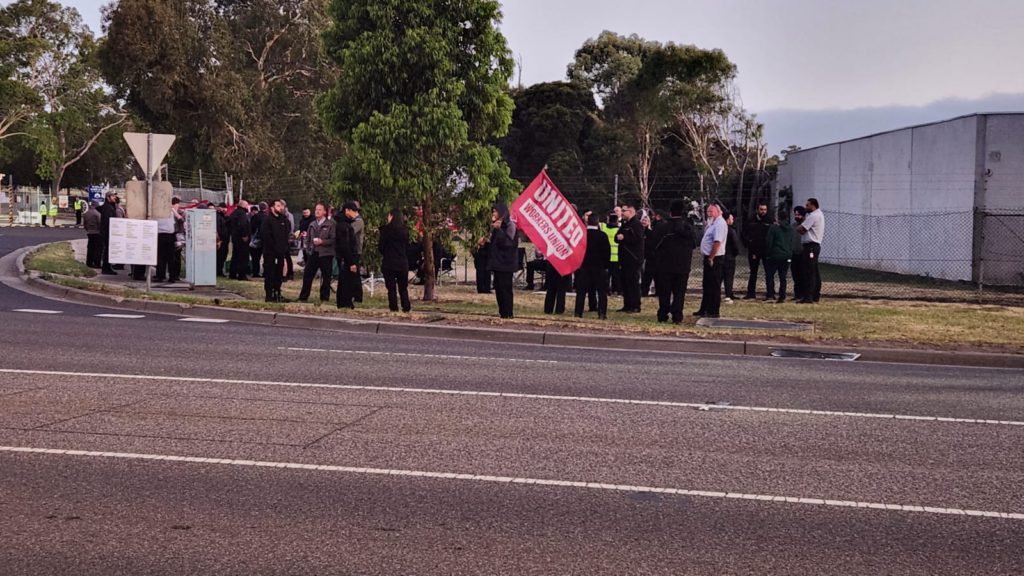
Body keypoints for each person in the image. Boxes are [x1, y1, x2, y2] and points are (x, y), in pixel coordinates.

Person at [653, 199, 697, 324]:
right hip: (682, 266)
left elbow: (654, 245)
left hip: (664, 265)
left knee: (664, 292)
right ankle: (677, 315)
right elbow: (694, 244)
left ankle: (663, 313)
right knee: (679, 292)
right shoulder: (688, 229)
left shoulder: (663, 227)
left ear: (670, 212)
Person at [297, 202, 336, 303]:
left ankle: (324, 298)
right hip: (314, 253)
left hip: (326, 254)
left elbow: (333, 240)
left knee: (326, 276)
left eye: (319, 209)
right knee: (307, 275)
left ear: (324, 212)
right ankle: (303, 297)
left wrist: (322, 242)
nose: (317, 211)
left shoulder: (330, 224)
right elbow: (308, 239)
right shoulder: (312, 224)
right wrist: (309, 247)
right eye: (316, 209)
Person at [574, 212, 611, 319]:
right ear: (597, 222)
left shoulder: (582, 234)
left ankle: (578, 312)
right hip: (599, 268)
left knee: (581, 292)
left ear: (587, 221)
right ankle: (602, 313)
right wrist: (605, 266)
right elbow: (607, 253)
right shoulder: (602, 236)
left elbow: (578, 251)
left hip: (584, 267)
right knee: (601, 292)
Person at [486, 201, 518, 319]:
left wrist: (499, 230)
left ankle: (508, 313)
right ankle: (502, 312)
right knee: (498, 288)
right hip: (497, 263)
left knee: (506, 288)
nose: (493, 213)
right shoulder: (496, 226)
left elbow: (508, 243)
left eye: (495, 211)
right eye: (492, 211)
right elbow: (495, 245)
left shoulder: (510, 225)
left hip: (506, 263)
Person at [694, 203, 727, 319]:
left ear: (718, 212)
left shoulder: (720, 224)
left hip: (715, 258)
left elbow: (717, 242)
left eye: (711, 212)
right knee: (707, 284)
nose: (709, 214)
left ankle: (713, 310)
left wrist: (711, 258)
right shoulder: (712, 223)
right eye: (708, 211)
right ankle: (704, 309)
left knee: (714, 285)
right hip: (709, 257)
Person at [379, 208, 412, 313]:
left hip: (389, 262)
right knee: (403, 287)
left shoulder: (385, 231)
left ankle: (393, 307)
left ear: (392, 217)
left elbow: (381, 247)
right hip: (402, 262)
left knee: (391, 288)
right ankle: (406, 306)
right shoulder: (405, 231)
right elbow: (407, 247)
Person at [615, 201, 644, 313]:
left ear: (631, 211)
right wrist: (619, 238)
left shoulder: (636, 224)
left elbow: (637, 239)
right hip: (624, 258)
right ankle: (627, 304)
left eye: (624, 211)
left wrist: (625, 237)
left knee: (633, 282)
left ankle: (635, 305)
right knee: (625, 282)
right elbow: (617, 237)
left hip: (633, 258)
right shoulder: (625, 224)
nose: (622, 213)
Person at [261, 199, 291, 302]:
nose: (281, 208)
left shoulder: (284, 220)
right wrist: (275, 248)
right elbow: (266, 237)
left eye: (281, 206)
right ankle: (269, 295)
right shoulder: (267, 220)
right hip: (270, 253)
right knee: (270, 274)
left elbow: (287, 234)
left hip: (281, 253)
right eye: (278, 206)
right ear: (272, 208)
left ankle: (278, 292)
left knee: (279, 274)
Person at [796, 198, 825, 303]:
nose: (806, 207)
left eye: (807, 205)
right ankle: (815, 295)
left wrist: (798, 226)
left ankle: (808, 296)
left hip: (811, 246)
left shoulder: (813, 216)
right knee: (814, 271)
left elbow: (801, 229)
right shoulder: (820, 215)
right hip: (815, 246)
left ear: (813, 205)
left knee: (809, 272)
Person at [741, 202, 772, 299]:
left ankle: (770, 293)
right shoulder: (751, 221)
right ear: (757, 210)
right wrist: (748, 244)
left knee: (769, 272)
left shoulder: (770, 220)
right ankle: (751, 293)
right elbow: (743, 234)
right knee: (753, 272)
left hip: (766, 251)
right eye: (761, 209)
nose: (763, 211)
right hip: (754, 251)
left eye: (765, 209)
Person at [333, 201, 360, 309]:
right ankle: (345, 302)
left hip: (345, 257)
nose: (356, 213)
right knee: (346, 280)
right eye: (354, 211)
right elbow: (345, 245)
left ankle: (344, 302)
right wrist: (352, 261)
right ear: (347, 210)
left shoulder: (345, 224)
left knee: (345, 280)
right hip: (346, 258)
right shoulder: (343, 225)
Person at [764, 209, 795, 303]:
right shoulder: (790, 228)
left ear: (778, 218)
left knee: (770, 275)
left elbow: (769, 241)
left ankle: (770, 294)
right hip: (786, 255)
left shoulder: (774, 228)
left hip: (775, 254)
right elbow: (791, 241)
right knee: (783, 277)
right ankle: (782, 296)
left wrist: (767, 253)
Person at [228, 200, 252, 281]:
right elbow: (243, 224)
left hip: (235, 237)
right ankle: (242, 274)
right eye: (246, 205)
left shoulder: (234, 212)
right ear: (243, 206)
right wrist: (244, 235)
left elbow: (228, 223)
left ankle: (232, 273)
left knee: (235, 256)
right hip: (241, 239)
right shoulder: (242, 214)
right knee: (243, 257)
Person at [722, 212, 741, 303]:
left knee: (720, 276)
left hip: (721, 256)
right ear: (727, 220)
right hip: (729, 256)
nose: (732, 220)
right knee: (729, 277)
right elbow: (735, 245)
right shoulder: (731, 231)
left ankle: (728, 293)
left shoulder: (720, 229)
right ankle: (728, 294)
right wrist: (735, 253)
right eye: (731, 219)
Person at [99, 192, 118, 275]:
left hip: (107, 232)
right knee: (107, 250)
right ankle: (106, 268)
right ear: (108, 197)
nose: (115, 197)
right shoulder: (108, 208)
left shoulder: (110, 207)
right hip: (107, 232)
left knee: (108, 250)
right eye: (113, 196)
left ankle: (107, 267)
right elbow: (108, 221)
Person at [790, 206, 807, 301]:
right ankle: (797, 294)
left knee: (803, 274)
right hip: (794, 253)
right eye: (795, 214)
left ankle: (804, 294)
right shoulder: (793, 226)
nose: (796, 216)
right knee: (795, 274)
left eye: (798, 215)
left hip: (803, 253)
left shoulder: (806, 225)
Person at [602, 214, 620, 294]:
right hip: (616, 257)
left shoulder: (604, 228)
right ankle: (615, 290)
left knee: (606, 275)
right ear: (616, 221)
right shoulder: (618, 230)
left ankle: (606, 289)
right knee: (615, 276)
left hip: (606, 256)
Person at [351, 202, 365, 302]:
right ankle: (352, 294)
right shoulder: (353, 220)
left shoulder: (358, 221)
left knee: (355, 274)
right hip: (352, 250)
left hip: (356, 251)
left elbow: (350, 231)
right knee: (351, 274)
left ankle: (358, 296)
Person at [83, 201, 102, 268]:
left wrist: (88, 229)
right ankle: (96, 263)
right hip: (97, 233)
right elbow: (100, 224)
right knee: (97, 249)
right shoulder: (97, 214)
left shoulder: (86, 214)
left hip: (89, 232)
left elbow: (84, 224)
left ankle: (89, 262)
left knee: (90, 248)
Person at [250, 203, 266, 278]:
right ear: (266, 208)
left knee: (255, 258)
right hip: (265, 240)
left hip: (256, 239)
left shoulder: (254, 217)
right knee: (266, 257)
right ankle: (265, 272)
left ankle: (255, 272)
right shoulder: (267, 217)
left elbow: (251, 228)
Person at [215, 203, 229, 277]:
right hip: (220, 240)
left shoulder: (224, 217)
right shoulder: (218, 217)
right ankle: (218, 271)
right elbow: (218, 228)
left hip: (225, 239)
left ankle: (219, 270)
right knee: (219, 256)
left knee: (223, 256)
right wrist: (219, 239)